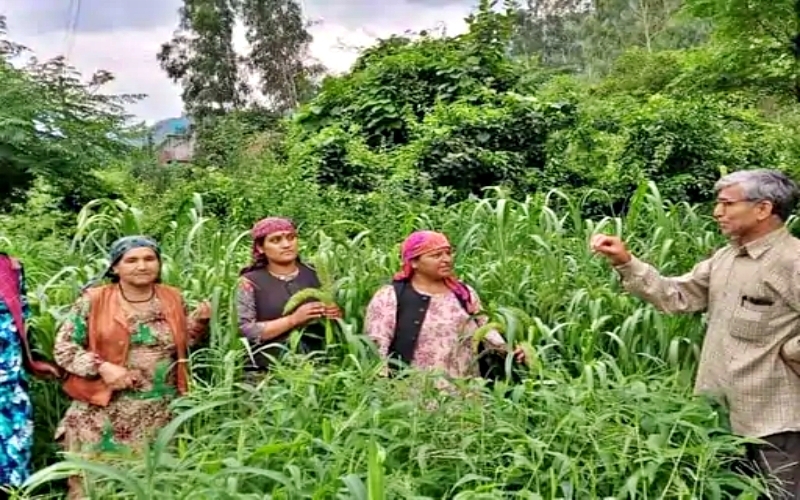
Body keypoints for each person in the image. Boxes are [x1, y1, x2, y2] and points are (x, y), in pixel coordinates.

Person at [590, 169, 800, 499]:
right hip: (718, 416)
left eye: (727, 204)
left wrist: (791, 352)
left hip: (775, 424)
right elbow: (677, 296)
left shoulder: (792, 260)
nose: (717, 212)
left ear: (763, 209)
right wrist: (626, 262)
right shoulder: (725, 257)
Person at [53, 236, 211, 500]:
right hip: (104, 412)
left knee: (152, 486)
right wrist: (102, 367)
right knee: (94, 488)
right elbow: (64, 347)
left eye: (149, 259)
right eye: (132, 260)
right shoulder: (95, 300)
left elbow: (182, 344)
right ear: (115, 267)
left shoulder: (172, 297)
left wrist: (200, 322)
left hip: (159, 413)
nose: (142, 266)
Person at [364, 230, 525, 387]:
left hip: (466, 389)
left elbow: (485, 330)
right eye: (436, 255)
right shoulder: (390, 296)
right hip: (415, 392)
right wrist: (382, 387)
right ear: (413, 262)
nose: (446, 259)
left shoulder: (463, 293)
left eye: (448, 253)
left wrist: (511, 352)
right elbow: (377, 344)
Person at [236, 217, 342, 378]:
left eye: (290, 237)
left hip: (319, 372)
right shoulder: (249, 282)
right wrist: (293, 320)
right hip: (266, 375)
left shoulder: (317, 273)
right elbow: (245, 331)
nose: (286, 244)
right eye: (276, 240)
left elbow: (342, 320)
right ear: (260, 247)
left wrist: (335, 314)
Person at [0, 253, 61, 498]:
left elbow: (18, 319)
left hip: (8, 384)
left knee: (12, 456)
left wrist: (31, 361)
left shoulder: (9, 267)